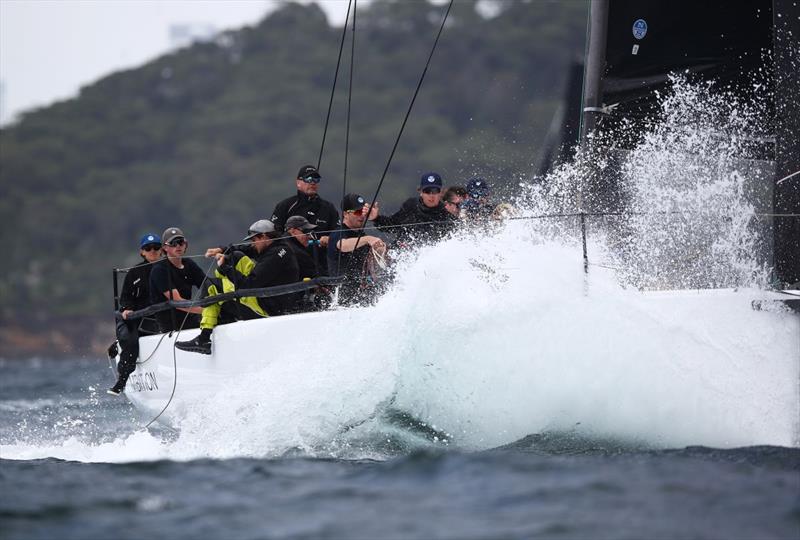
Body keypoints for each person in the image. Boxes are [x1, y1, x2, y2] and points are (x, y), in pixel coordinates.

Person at [176, 219, 299, 355]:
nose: (252, 243)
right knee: (235, 256)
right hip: (271, 299)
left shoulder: (275, 255)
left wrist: (225, 268)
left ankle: (204, 338)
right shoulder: (278, 246)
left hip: (268, 307)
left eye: (254, 240)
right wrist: (223, 250)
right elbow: (248, 249)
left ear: (264, 236)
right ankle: (219, 314)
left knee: (211, 286)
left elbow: (249, 285)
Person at [107, 233, 162, 396]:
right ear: (142, 252)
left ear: (162, 250)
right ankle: (121, 381)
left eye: (156, 248)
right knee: (131, 343)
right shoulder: (134, 272)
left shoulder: (169, 269)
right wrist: (127, 309)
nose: (152, 251)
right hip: (137, 321)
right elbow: (125, 298)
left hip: (161, 319)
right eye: (148, 248)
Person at [270, 165, 340, 276]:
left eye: (316, 179)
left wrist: (330, 239)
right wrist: (294, 237)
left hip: (321, 265)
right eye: (309, 179)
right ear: (298, 182)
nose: (313, 183)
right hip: (291, 265)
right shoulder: (285, 206)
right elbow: (272, 236)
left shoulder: (329, 208)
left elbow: (339, 234)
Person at [328, 193, 387, 306]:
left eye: (363, 212)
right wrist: (367, 239)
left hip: (366, 293)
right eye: (357, 212)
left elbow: (380, 263)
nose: (361, 216)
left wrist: (380, 249)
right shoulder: (337, 233)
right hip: (344, 297)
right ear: (345, 214)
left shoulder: (363, 235)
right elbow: (343, 245)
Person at [148, 227, 208, 333]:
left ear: (185, 245)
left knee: (224, 317)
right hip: (170, 323)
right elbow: (177, 302)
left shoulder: (189, 264)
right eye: (173, 243)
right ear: (165, 248)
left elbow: (207, 285)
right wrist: (207, 311)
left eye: (181, 242)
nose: (178, 246)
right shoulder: (159, 269)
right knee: (212, 318)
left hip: (190, 316)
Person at [372, 172, 456, 244]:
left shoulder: (446, 216)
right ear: (420, 192)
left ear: (440, 193)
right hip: (402, 254)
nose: (431, 195)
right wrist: (376, 218)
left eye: (435, 191)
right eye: (427, 191)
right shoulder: (411, 205)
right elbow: (392, 225)